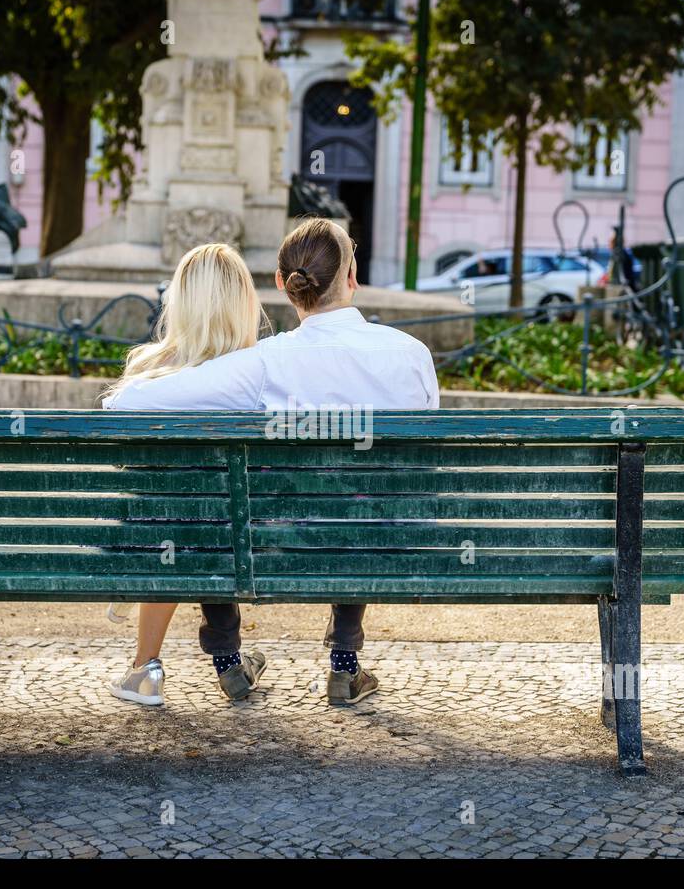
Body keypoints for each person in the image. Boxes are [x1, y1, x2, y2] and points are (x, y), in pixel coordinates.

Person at [105, 217, 439, 707]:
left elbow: (125, 405)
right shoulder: (411, 355)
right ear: (352, 278)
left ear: (284, 286)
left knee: (222, 501)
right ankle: (344, 663)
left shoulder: (264, 364)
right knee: (364, 497)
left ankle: (223, 657)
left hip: (278, 547)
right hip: (391, 542)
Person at [101, 243, 271, 706]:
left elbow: (116, 412)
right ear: (243, 304)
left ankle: (146, 667)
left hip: (149, 540)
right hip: (238, 538)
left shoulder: (147, 374)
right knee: (208, 513)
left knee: (173, 516)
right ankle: (228, 662)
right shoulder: (257, 373)